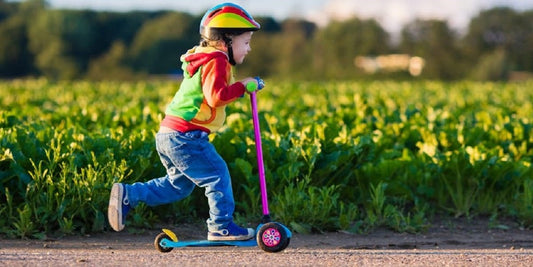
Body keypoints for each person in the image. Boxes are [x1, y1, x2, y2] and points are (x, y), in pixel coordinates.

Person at [107, 2, 264, 241]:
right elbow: (216, 97)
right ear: (226, 40)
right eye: (246, 42)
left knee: (177, 186)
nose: (249, 49)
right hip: (186, 136)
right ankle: (221, 226)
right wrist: (242, 86)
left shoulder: (205, 58)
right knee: (217, 175)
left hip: (170, 133)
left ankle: (129, 194)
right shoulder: (218, 60)